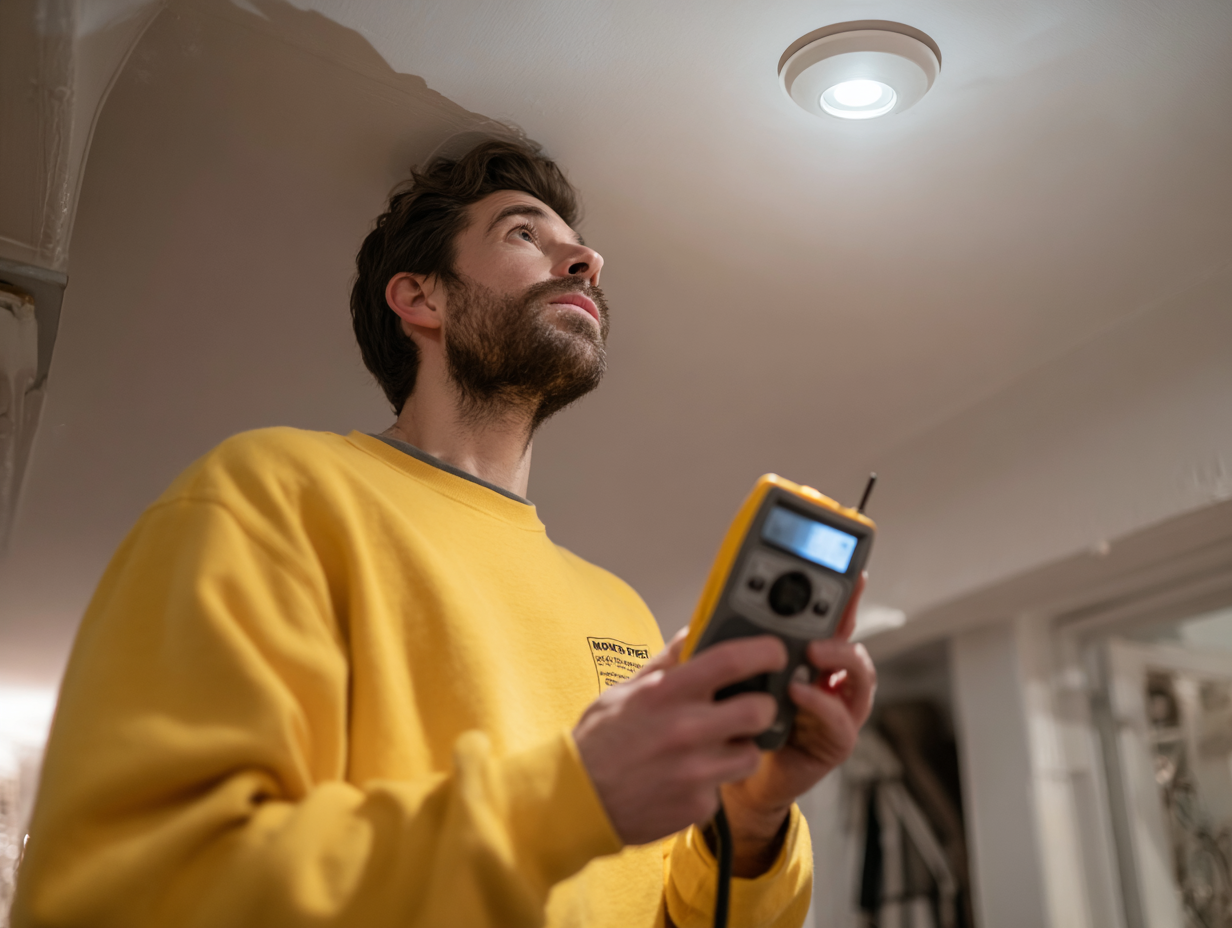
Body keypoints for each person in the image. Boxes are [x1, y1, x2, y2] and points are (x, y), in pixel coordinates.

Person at [12, 139, 876, 928]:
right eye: (524, 233)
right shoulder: (272, 494)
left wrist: (753, 822)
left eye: (579, 247)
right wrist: (570, 797)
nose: (587, 260)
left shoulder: (621, 610)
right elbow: (131, 892)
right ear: (419, 296)